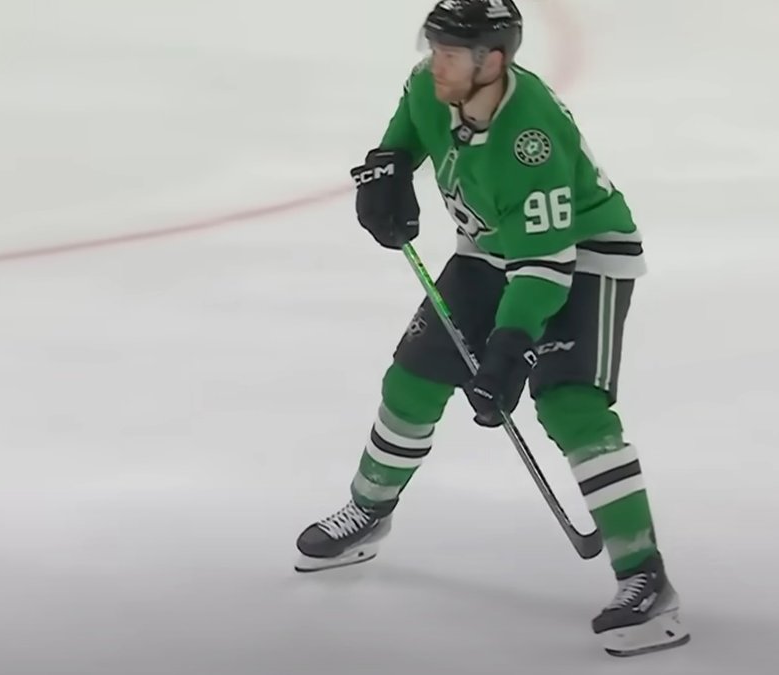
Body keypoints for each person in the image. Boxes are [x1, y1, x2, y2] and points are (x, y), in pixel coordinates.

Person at [294, 0, 689, 658]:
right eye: (435, 48)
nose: (435, 63)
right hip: (493, 248)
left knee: (570, 404)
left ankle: (646, 579)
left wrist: (509, 349)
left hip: (583, 256)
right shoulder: (429, 86)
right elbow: (401, 140)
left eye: (451, 53)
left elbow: (544, 268)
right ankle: (369, 509)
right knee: (414, 378)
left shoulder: (529, 140)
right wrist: (384, 174)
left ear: (493, 61)